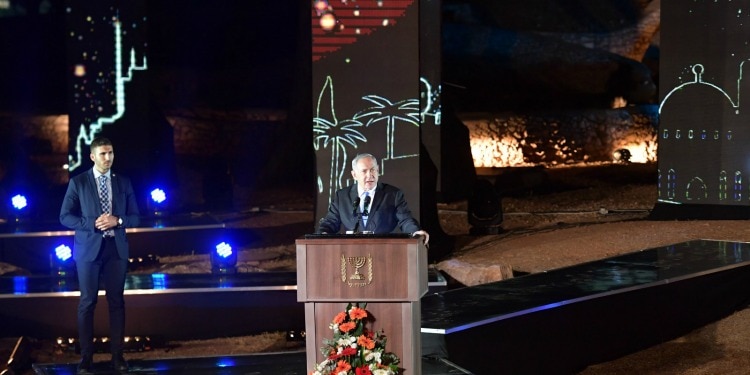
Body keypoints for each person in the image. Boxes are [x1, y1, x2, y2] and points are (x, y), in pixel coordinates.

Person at [60, 137, 140, 374]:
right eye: (103, 154)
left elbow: (136, 216)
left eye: (111, 153)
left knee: (117, 302)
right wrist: (91, 224)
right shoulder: (79, 182)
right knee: (87, 303)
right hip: (88, 251)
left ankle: (118, 357)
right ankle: (86, 359)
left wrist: (119, 220)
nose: (108, 158)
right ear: (93, 156)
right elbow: (65, 216)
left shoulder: (123, 182)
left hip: (116, 250)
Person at [317, 153, 429, 245]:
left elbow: (405, 220)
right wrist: (322, 233)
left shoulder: (393, 194)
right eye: (364, 171)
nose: (370, 175)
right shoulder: (342, 196)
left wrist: (415, 232)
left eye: (373, 170)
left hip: (383, 250)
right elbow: (331, 222)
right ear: (354, 175)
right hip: (350, 251)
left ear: (378, 170)